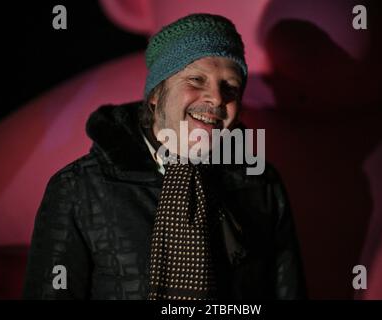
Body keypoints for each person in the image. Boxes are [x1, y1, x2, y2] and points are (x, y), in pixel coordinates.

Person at [23, 13, 306, 300]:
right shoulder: (78, 188)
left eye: (230, 87)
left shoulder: (261, 184)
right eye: (196, 79)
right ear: (157, 94)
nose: (218, 99)